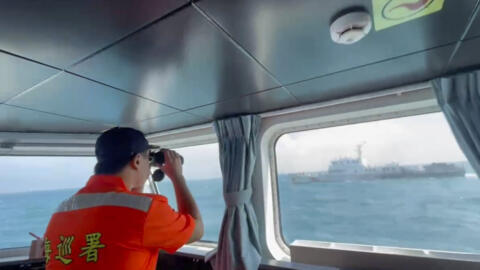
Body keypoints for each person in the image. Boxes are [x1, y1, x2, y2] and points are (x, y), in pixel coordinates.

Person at [43, 127, 203, 270]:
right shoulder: (146, 211)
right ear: (138, 161)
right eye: (148, 159)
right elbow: (197, 229)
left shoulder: (61, 210)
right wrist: (177, 177)